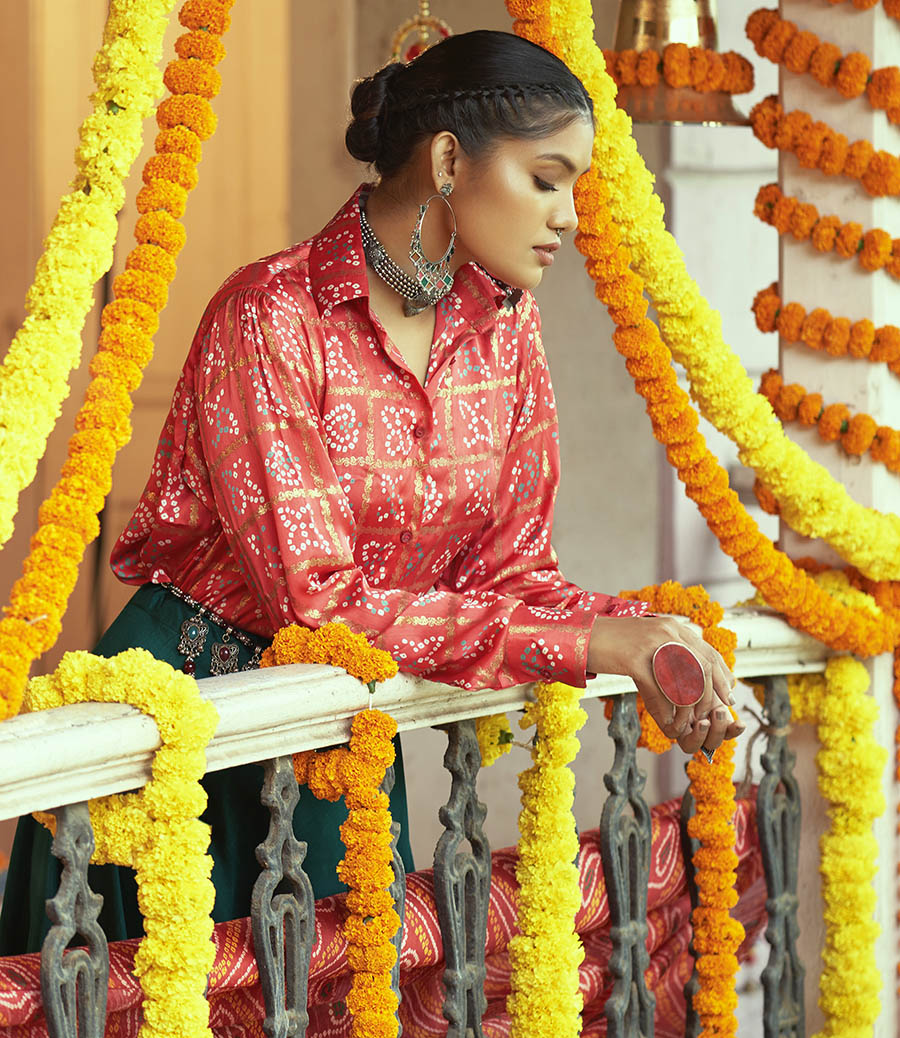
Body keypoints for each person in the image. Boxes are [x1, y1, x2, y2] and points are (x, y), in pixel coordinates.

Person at [0, 29, 742, 956]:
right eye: (547, 178)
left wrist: (649, 637)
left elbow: (512, 574)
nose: (569, 218)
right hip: (190, 734)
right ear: (446, 160)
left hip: (338, 734)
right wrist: (589, 639)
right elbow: (318, 603)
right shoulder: (270, 318)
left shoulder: (505, 332)